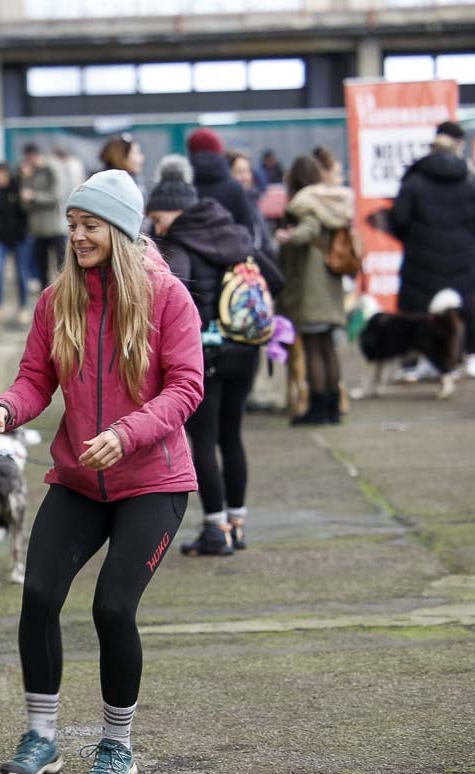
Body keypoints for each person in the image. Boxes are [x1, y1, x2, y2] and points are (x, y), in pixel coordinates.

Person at [0, 169, 203, 774]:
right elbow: (33, 380)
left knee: (112, 607)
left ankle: (117, 745)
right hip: (80, 480)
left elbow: (187, 386)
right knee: (39, 596)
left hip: (152, 483)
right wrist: (5, 409)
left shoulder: (167, 297)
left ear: (122, 230)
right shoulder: (57, 302)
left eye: (90, 225)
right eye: (72, 225)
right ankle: (41, 736)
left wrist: (128, 433)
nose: (76, 235)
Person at [147, 156, 283, 557]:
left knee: (202, 440)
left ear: (174, 208)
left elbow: (177, 298)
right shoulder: (234, 233)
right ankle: (237, 523)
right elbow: (275, 279)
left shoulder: (179, 242)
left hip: (207, 354)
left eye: (157, 217)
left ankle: (214, 529)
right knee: (232, 435)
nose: (155, 226)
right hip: (246, 349)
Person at [390, 121, 475, 381]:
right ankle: (471, 356)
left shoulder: (413, 178)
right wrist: (470, 246)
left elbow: (398, 219)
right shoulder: (468, 179)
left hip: (421, 259)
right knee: (464, 306)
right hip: (462, 258)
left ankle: (419, 362)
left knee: (418, 311)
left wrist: (413, 240)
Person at [276, 155, 353, 425]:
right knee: (328, 347)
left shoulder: (305, 204)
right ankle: (333, 406)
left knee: (313, 348)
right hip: (330, 286)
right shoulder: (331, 203)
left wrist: (288, 237)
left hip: (310, 288)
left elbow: (308, 230)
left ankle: (318, 408)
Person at [185, 128, 256, 235]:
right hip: (231, 249)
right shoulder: (234, 188)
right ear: (218, 151)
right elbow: (248, 231)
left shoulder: (184, 188)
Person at [22, 145, 68, 291]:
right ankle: (45, 299)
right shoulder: (29, 174)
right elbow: (23, 201)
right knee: (42, 269)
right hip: (38, 229)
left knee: (62, 266)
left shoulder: (51, 169)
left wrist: (34, 196)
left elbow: (56, 196)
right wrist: (24, 178)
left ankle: (66, 292)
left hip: (55, 227)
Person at [0, 162, 32, 318]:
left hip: (20, 239)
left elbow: (25, 208)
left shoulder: (17, 187)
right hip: (0, 239)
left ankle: (23, 306)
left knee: (21, 273)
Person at [226, 148, 277, 260]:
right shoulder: (228, 204)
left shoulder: (252, 199)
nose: (245, 177)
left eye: (247, 171)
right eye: (239, 172)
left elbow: (263, 238)